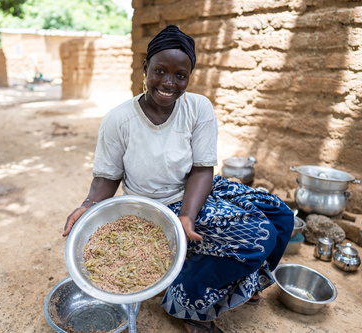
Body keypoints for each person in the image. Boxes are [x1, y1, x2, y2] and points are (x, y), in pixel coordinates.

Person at [63, 25, 293, 333]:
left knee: (280, 216)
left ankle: (241, 283)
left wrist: (188, 215)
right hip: (154, 205)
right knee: (258, 236)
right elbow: (108, 177)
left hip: (195, 191)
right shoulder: (119, 120)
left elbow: (202, 169)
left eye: (180, 75)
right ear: (145, 68)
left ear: (189, 76)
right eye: (159, 71)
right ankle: (187, 302)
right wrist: (88, 204)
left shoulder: (198, 108)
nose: (169, 83)